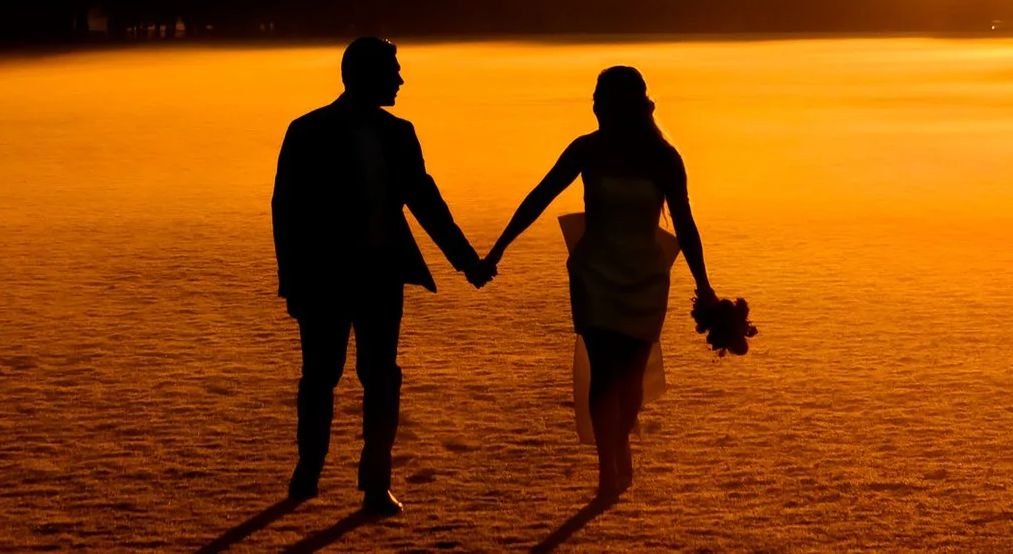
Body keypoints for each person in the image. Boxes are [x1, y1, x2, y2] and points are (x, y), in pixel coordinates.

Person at [271, 36, 487, 516]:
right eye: (393, 70)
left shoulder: (399, 132)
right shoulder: (308, 131)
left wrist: (467, 261)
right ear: (364, 75)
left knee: (382, 377)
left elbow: (425, 201)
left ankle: (375, 482)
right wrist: (293, 281)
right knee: (320, 376)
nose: (400, 79)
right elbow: (286, 210)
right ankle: (309, 469)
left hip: (380, 276)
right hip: (324, 279)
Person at [478, 65, 715, 500]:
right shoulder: (586, 149)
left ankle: (619, 442)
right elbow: (539, 197)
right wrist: (498, 249)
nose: (596, 106)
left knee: (630, 379)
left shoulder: (663, 157)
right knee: (605, 374)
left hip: (645, 277)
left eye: (602, 99)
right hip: (594, 276)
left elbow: (685, 223)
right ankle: (608, 468)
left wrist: (705, 285)